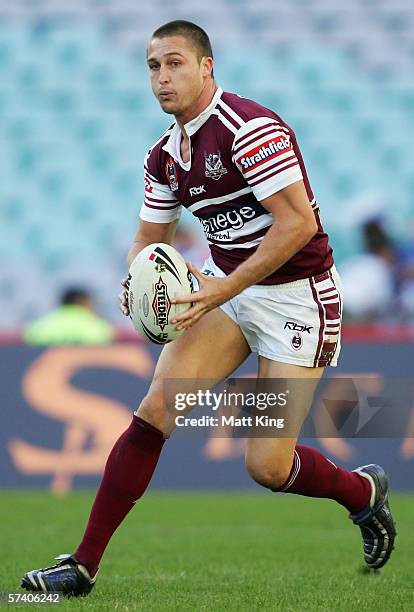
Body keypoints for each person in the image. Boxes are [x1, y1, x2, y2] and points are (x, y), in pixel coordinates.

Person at [21, 20, 396, 596]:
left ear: (206, 67)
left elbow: (298, 225)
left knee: (267, 467)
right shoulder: (165, 155)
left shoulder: (249, 129)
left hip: (298, 299)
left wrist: (221, 289)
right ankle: (82, 564)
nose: (163, 77)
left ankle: (363, 494)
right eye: (153, 67)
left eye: (174, 63)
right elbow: (149, 237)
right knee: (155, 411)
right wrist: (137, 279)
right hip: (228, 290)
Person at [23, 287, 114, 345]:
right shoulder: (98, 328)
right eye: (92, 303)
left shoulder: (39, 328)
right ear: (81, 302)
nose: (96, 308)